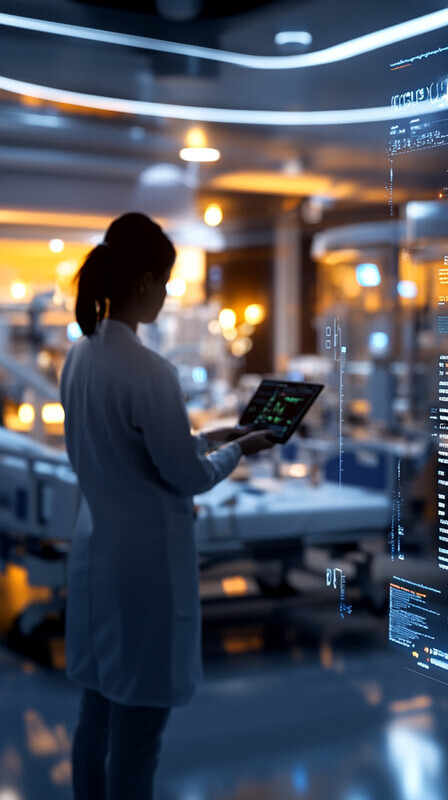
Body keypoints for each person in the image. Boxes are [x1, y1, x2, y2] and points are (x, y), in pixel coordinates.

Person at [59, 213, 273, 800]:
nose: (168, 294)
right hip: (143, 573)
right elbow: (186, 476)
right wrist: (240, 450)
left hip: (95, 556)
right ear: (147, 280)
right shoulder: (152, 373)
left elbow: (137, 452)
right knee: (137, 745)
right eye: (167, 283)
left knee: (94, 717)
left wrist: (215, 436)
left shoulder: (79, 359)